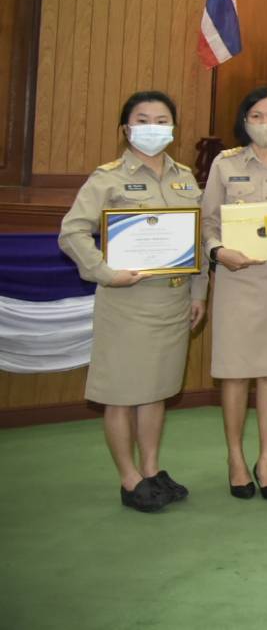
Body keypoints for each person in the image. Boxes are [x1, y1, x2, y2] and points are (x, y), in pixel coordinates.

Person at [58, 91, 205, 512]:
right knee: (121, 393)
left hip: (173, 302)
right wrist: (105, 273)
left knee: (156, 391)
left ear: (173, 129)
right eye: (143, 120)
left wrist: (198, 293)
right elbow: (71, 233)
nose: (153, 127)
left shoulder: (184, 178)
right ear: (125, 128)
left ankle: (152, 469)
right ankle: (129, 478)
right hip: (126, 302)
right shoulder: (107, 178)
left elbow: (194, 240)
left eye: (162, 120)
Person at [202, 86, 267, 502]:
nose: (266, 123)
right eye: (257, 116)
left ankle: (265, 460)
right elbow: (208, 223)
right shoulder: (225, 166)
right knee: (235, 372)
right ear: (244, 120)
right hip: (236, 280)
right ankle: (236, 459)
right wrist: (218, 251)